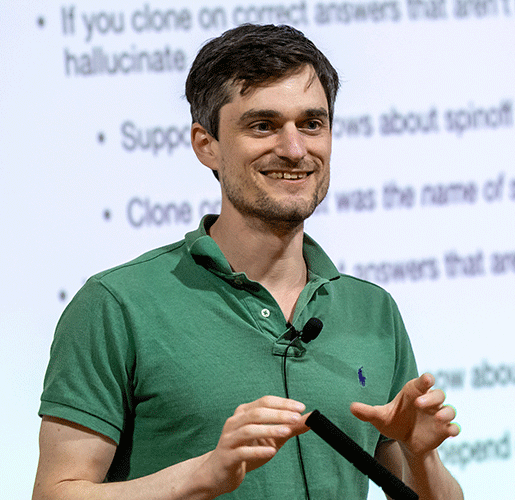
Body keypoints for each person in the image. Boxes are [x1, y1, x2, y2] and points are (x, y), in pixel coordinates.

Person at [33, 24, 462, 500]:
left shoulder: (374, 309)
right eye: (263, 125)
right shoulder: (117, 306)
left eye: (312, 124)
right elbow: (56, 492)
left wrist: (422, 456)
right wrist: (202, 475)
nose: (295, 149)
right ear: (206, 144)